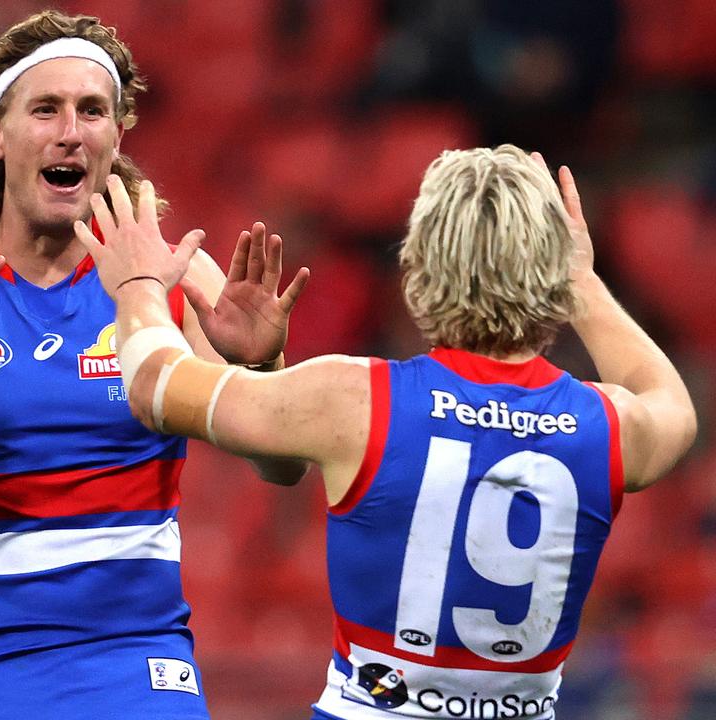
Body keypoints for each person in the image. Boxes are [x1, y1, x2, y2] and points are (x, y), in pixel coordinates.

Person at [78, 147, 697, 719]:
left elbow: (155, 384)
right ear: (554, 275)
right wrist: (582, 283)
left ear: (416, 265)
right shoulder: (608, 425)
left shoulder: (354, 399)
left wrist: (138, 285)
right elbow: (672, 404)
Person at [0, 10, 304, 719]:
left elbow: (282, 468)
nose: (70, 130)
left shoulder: (168, 278)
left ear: (116, 135)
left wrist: (261, 368)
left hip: (143, 664)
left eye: (92, 110)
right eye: (45, 109)